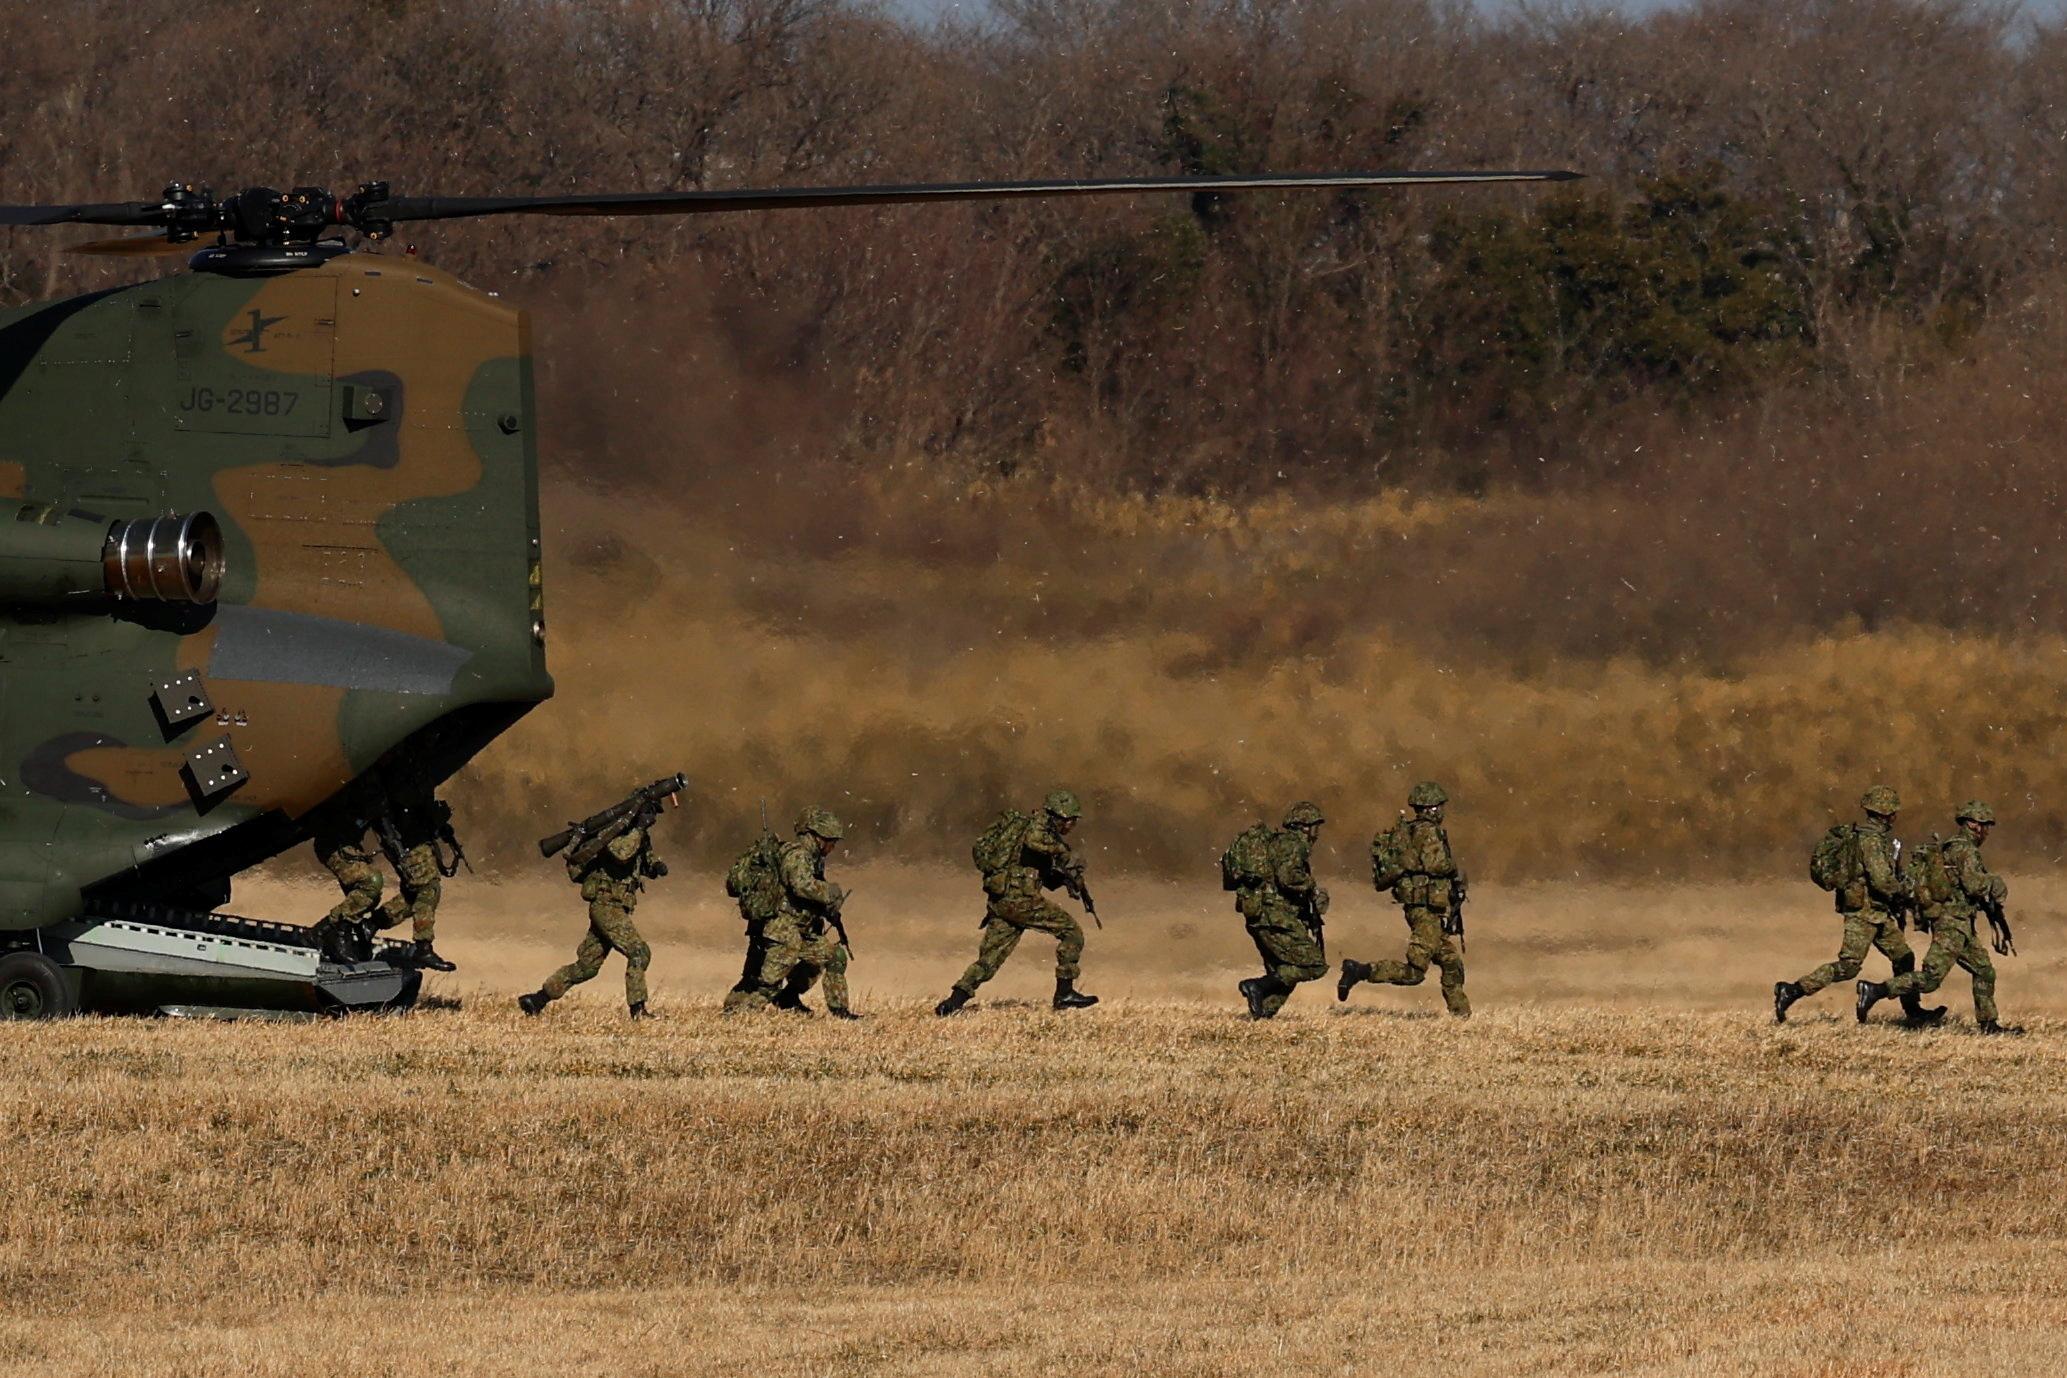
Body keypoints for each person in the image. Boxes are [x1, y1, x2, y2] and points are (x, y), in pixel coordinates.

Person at [1774, 785, 1936, 1025]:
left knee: (1903, 957)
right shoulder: (1870, 841)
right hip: (1863, 913)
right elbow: (1882, 880)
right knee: (1848, 966)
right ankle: (1791, 991)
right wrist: (1907, 892)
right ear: (1887, 813)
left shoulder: (1873, 838)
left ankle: (1913, 1011)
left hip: (1877, 913)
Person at [1857, 800, 2018, 1034]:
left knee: (1984, 970)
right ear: (1973, 825)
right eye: (1985, 825)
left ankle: (1989, 1023)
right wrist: (1995, 882)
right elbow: (1974, 885)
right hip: (1952, 923)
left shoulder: (1954, 848)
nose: (1987, 832)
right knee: (1931, 978)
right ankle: (1874, 991)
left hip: (1961, 923)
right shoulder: (1965, 850)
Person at [936, 789, 1099, 1016]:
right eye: (1071, 821)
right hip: (1021, 901)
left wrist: (1066, 879)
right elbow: (1034, 842)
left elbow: (1043, 873)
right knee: (1072, 933)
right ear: (1061, 817)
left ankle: (952, 1003)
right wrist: (1062, 851)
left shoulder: (1027, 829)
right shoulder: (1039, 828)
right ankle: (1064, 994)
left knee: (989, 959)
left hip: (1002, 901)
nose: (1071, 827)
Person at [518, 800, 667, 1019]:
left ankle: (537, 999)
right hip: (606, 905)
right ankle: (638, 1010)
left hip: (615, 907)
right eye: (648, 814)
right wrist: (638, 828)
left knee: (587, 966)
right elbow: (621, 853)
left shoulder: (639, 835)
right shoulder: (614, 832)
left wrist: (655, 866)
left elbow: (642, 860)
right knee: (639, 951)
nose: (652, 819)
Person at [1338, 781, 1471, 1018]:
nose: (1442, 811)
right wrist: (1453, 869)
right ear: (1431, 808)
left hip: (1421, 908)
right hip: (1425, 910)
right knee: (1414, 973)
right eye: (1440, 806)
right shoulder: (1428, 832)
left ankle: (1461, 1016)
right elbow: (1435, 864)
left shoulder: (1411, 831)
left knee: (1451, 962)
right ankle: (1359, 971)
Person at [726, 807, 859, 1019]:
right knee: (767, 980)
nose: (833, 846)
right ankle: (740, 1014)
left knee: (832, 955)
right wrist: (830, 892)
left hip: (799, 930)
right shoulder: (797, 854)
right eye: (831, 840)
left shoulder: (814, 858)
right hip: (780, 929)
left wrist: (827, 910)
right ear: (817, 837)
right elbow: (801, 886)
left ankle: (835, 1010)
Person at [1226, 802, 1331, 1019]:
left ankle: (1262, 1015)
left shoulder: (1280, 844)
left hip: (1261, 914)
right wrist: (1311, 885)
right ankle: (1256, 986)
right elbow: (1287, 877)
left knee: (1283, 972)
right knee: (1315, 965)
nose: (1317, 833)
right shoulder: (1293, 844)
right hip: (1274, 916)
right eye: (1315, 826)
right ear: (1304, 827)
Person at [375, 789, 459, 972]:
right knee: (428, 887)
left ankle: (368, 926)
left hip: (412, 834)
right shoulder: (401, 771)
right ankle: (423, 946)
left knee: (415, 895)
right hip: (404, 836)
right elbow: (407, 799)